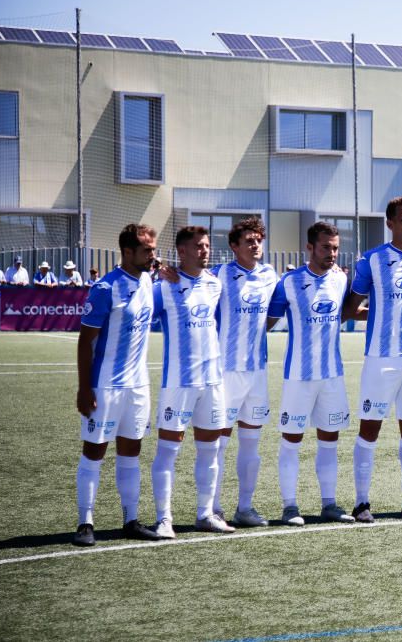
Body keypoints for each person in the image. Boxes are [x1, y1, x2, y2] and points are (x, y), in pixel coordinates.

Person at [343, 196, 402, 522]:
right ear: (390, 223)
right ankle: (361, 503)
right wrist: (378, 312)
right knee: (370, 429)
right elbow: (350, 309)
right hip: (380, 358)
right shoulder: (371, 259)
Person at [71, 224, 163, 547]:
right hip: (105, 386)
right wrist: (85, 389)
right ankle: (85, 522)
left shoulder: (150, 280)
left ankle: (131, 519)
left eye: (154, 249)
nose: (153, 255)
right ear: (127, 252)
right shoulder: (104, 288)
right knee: (95, 451)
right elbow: (85, 342)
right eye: (147, 250)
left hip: (138, 387)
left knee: (131, 451)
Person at [267, 222, 359, 526]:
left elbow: (348, 312)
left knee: (329, 440)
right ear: (309, 248)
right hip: (299, 377)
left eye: (335, 247)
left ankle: (329, 503)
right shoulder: (289, 282)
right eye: (325, 247)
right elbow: (266, 322)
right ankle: (290, 506)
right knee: (291, 440)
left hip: (332, 375)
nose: (332, 253)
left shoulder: (341, 279)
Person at [149, 225, 232, 538]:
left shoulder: (215, 284)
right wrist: (157, 268)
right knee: (168, 451)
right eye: (198, 246)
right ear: (181, 251)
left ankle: (204, 513)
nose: (205, 250)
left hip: (212, 381)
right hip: (178, 383)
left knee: (210, 450)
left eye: (207, 245)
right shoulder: (164, 286)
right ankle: (164, 519)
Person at [209, 217, 279, 527]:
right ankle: (213, 507)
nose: (255, 245)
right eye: (248, 241)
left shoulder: (270, 276)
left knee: (251, 441)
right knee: (219, 441)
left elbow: (274, 314)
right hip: (227, 371)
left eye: (258, 240)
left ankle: (245, 508)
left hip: (257, 372)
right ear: (234, 246)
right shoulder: (221, 275)